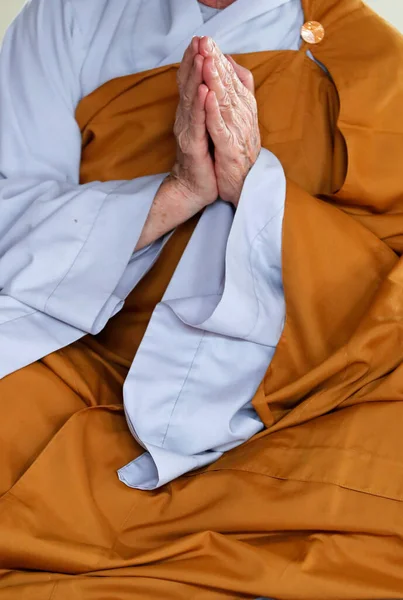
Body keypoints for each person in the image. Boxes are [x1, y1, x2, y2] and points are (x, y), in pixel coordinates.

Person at [1, 0, 403, 598]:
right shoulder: (67, 16)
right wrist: (176, 191)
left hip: (292, 392)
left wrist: (253, 186)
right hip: (85, 353)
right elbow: (10, 217)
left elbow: (383, 293)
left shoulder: (372, 60)